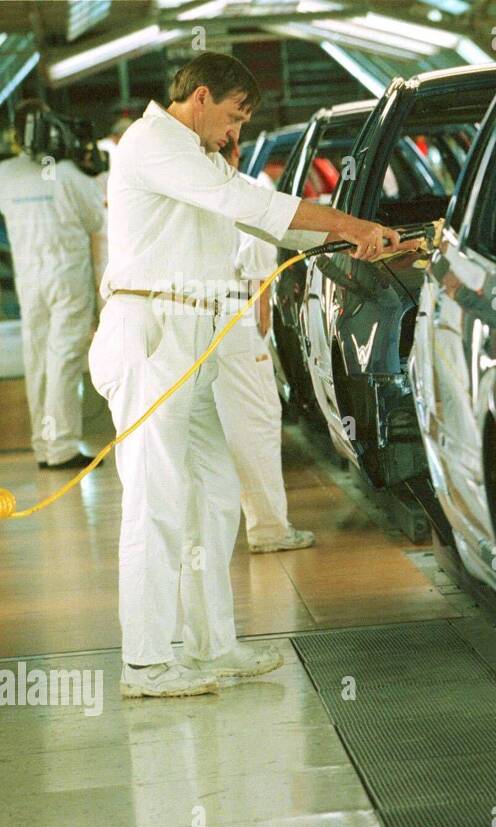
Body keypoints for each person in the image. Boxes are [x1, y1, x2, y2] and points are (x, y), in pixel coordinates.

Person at [89, 52, 416, 698]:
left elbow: (263, 218)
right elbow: (251, 202)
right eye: (233, 118)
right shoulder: (154, 141)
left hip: (196, 336)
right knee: (155, 498)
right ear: (202, 96)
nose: (234, 135)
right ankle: (147, 662)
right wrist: (349, 223)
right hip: (153, 333)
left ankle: (212, 644)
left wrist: (359, 240)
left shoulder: (202, 158)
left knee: (212, 491)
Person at [213, 138, 315, 555]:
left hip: (187, 319)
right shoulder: (249, 192)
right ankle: (269, 529)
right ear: (234, 152)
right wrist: (263, 343)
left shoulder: (187, 190)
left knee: (207, 429)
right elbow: (260, 282)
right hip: (236, 322)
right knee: (256, 421)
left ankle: (210, 534)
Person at [0, 99, 104, 470]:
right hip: (67, 276)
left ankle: (43, 445)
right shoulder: (69, 175)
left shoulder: (6, 174)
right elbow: (98, 222)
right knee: (64, 359)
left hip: (30, 278)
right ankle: (61, 447)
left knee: (38, 358)